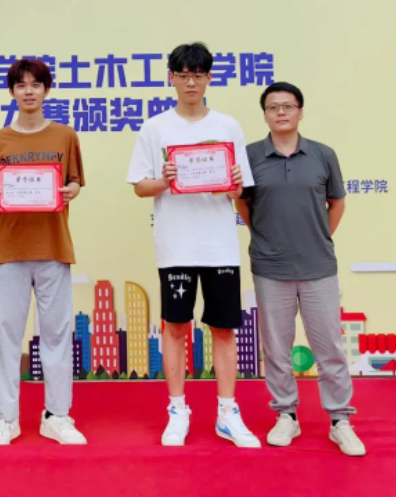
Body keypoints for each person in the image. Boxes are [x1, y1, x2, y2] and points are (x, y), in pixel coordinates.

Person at [127, 42, 260, 448]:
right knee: (175, 327)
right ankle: (177, 410)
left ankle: (227, 413)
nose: (190, 83)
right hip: (176, 246)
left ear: (208, 78)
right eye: (183, 75)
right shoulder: (155, 128)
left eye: (198, 75)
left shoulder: (227, 126)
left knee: (223, 329)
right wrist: (165, 179)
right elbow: (140, 187)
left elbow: (241, 189)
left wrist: (233, 184)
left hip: (219, 246)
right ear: (171, 77)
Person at [236, 81, 366, 456]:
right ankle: (286, 415)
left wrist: (318, 238)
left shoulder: (323, 155)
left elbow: (336, 203)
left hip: (318, 266)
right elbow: (243, 204)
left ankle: (340, 421)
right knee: (277, 349)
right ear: (265, 114)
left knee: (329, 349)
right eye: (273, 107)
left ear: (300, 112)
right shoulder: (250, 156)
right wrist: (265, 238)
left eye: (288, 106)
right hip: (269, 267)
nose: (281, 112)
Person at [0, 59, 87, 446]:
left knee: (56, 335)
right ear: (11, 91)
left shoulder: (65, 136)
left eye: (36, 84)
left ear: (46, 90)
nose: (28, 91)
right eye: (21, 85)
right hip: (10, 248)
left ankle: (56, 415)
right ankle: (7, 418)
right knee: (7, 337)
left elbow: (75, 182)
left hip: (53, 246)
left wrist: (72, 190)